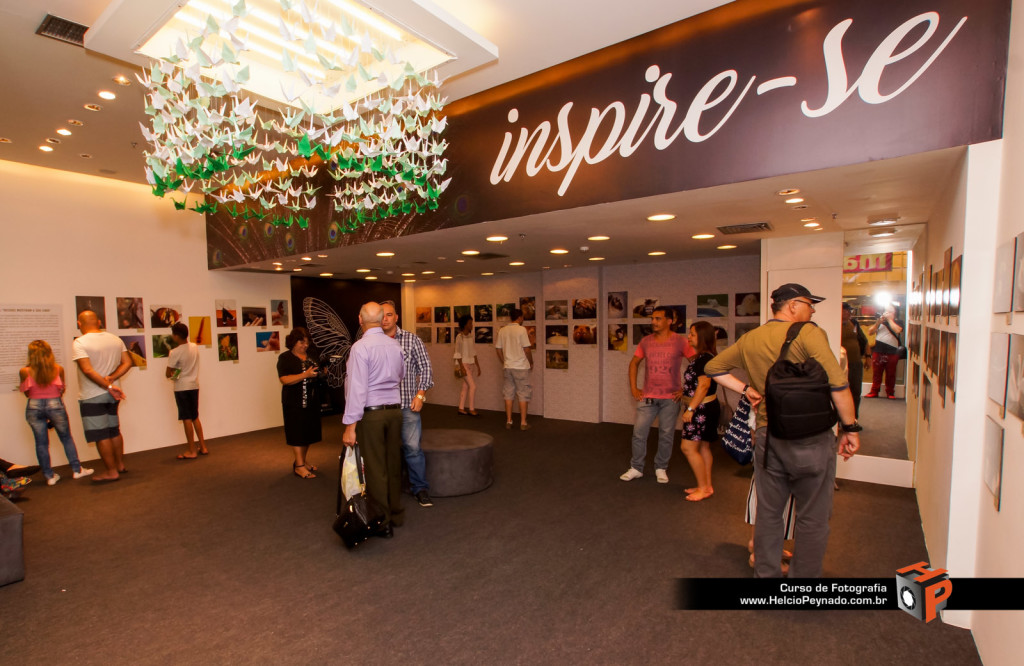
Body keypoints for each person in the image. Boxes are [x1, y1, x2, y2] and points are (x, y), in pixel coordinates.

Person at [705, 283, 861, 578]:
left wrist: (746, 389)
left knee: (769, 511)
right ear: (791, 306)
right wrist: (850, 428)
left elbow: (714, 368)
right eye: (809, 303)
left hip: (767, 436)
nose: (812, 309)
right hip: (811, 438)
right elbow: (838, 383)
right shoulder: (810, 333)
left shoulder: (751, 338)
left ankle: (766, 574)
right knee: (813, 516)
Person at [342, 302, 405, 538]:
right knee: (393, 464)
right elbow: (400, 376)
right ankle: (397, 513)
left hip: (373, 415)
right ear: (381, 319)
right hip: (395, 412)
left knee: (376, 468)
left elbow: (356, 389)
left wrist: (350, 426)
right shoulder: (394, 345)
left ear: (360, 320)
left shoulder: (360, 348)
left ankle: (383, 521)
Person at [620, 307, 694, 483]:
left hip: (671, 398)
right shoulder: (646, 341)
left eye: (658, 319)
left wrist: (685, 389)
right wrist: (634, 388)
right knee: (639, 432)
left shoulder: (681, 342)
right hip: (647, 397)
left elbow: (696, 365)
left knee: (666, 434)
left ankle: (661, 467)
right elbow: (634, 364)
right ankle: (636, 467)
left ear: (669, 321)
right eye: (652, 318)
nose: (653, 322)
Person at [380, 300, 435, 508]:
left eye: (389, 315)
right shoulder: (372, 342)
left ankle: (420, 489)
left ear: (396, 317)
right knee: (384, 450)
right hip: (381, 408)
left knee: (413, 449)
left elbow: (426, 369)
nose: (385, 319)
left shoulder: (412, 340)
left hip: (407, 406)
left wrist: (420, 396)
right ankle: (384, 490)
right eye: (382, 315)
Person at [19, 340, 93, 485]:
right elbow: (62, 390)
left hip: (33, 405)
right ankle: (77, 470)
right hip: (55, 403)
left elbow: (27, 393)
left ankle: (49, 476)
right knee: (66, 438)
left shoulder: (24, 371)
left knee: (41, 443)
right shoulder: (58, 369)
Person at [72, 311, 131, 483]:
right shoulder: (115, 339)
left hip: (92, 395)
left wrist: (108, 385)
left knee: (101, 434)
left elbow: (88, 370)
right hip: (113, 394)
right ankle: (120, 465)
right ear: (98, 322)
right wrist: (112, 380)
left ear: (79, 323)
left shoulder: (80, 342)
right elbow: (127, 362)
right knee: (114, 430)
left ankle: (111, 471)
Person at [677, 321, 719, 501]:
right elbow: (697, 384)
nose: (689, 337)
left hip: (700, 409)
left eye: (692, 334)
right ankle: (706, 485)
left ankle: (703, 487)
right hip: (704, 407)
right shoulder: (704, 357)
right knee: (703, 447)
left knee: (687, 447)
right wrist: (684, 392)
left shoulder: (704, 359)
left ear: (702, 337)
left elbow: (704, 385)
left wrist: (691, 409)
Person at [277, 327, 321, 479]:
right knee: (297, 433)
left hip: (312, 401)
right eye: (301, 342)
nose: (305, 345)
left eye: (307, 342)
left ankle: (301, 461)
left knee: (308, 433)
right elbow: (284, 379)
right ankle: (299, 466)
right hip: (294, 402)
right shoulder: (285, 358)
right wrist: (305, 375)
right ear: (293, 342)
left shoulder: (313, 355)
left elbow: (321, 372)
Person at [166, 322, 208, 460]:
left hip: (181, 388)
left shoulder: (175, 352)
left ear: (176, 336)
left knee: (186, 418)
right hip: (194, 385)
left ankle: (191, 450)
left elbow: (168, 373)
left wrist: (175, 373)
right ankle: (203, 446)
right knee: (195, 416)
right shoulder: (194, 347)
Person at [495, 308, 534, 430]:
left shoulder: (503, 330)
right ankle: (523, 423)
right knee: (523, 394)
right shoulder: (522, 330)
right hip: (521, 366)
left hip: (508, 366)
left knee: (508, 394)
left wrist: (504, 361)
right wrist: (531, 362)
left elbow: (498, 349)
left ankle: (509, 421)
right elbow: (527, 349)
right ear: (520, 317)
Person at [865, 303, 904, 399]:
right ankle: (874, 391)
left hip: (893, 351)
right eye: (886, 311)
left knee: (891, 373)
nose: (887, 313)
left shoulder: (898, 322)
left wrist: (890, 320)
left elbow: (898, 330)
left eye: (889, 311)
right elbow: (870, 332)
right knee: (876, 373)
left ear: (894, 312)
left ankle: (890, 392)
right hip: (878, 350)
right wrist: (878, 322)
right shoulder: (880, 323)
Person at [840, 302, 869, 416]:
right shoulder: (834, 323)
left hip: (855, 362)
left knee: (856, 391)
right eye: (846, 310)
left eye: (849, 310)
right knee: (840, 390)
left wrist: (868, 357)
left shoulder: (854, 323)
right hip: (841, 363)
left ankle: (854, 417)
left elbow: (864, 341)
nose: (848, 313)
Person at [453, 314, 481, 416]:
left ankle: (461, 408)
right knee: (473, 386)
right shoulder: (459, 337)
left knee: (465, 386)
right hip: (463, 364)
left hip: (471, 364)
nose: (471, 325)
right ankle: (471, 409)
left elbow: (474, 352)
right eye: (470, 323)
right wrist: (461, 367)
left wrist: (478, 366)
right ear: (465, 325)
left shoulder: (470, 337)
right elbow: (457, 353)